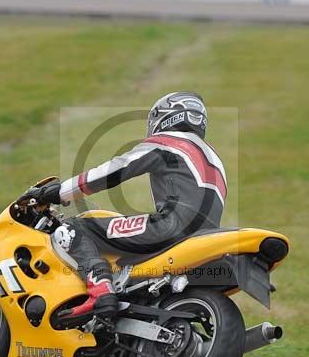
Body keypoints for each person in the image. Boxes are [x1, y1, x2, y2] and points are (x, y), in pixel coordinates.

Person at [18, 92, 227, 322]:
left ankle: (100, 292)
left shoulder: (169, 141)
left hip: (171, 225)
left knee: (73, 228)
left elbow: (117, 169)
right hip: (206, 235)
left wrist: (61, 191)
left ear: (165, 116)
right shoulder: (214, 159)